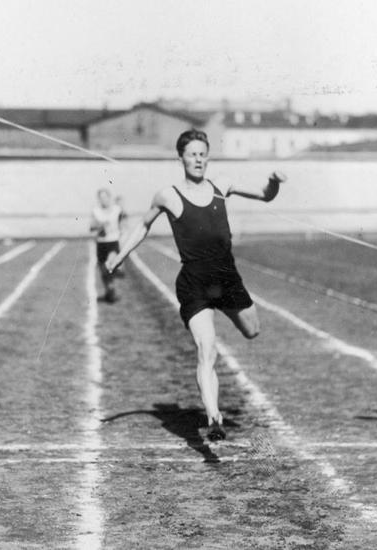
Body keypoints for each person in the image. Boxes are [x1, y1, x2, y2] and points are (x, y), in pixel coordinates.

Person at [105, 129, 285, 441]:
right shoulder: (168, 195)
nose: (198, 159)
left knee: (252, 330)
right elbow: (144, 225)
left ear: (207, 157)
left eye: (203, 154)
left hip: (227, 278)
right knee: (207, 348)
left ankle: (214, 410)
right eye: (192, 154)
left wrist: (274, 180)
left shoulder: (221, 186)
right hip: (195, 283)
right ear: (181, 158)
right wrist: (120, 255)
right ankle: (214, 415)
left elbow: (265, 195)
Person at [89, 186, 125, 303]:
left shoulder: (117, 209)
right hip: (101, 243)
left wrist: (122, 233)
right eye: (101, 198)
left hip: (113, 242)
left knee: (110, 265)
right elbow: (91, 228)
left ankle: (113, 281)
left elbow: (123, 223)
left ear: (109, 198)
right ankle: (109, 290)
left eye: (105, 197)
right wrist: (100, 226)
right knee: (103, 271)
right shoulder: (96, 211)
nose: (103, 200)